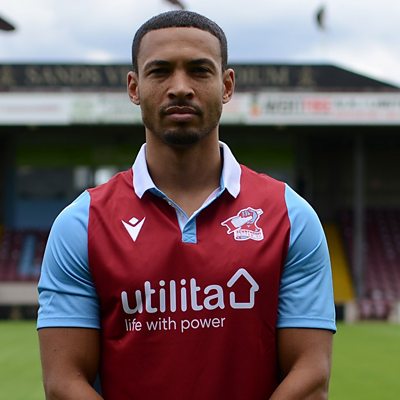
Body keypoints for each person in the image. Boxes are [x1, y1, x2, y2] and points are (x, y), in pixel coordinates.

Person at [37, 10, 336, 400]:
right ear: (134, 87)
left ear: (226, 85)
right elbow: (64, 383)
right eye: (160, 71)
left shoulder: (290, 216)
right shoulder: (81, 224)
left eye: (199, 71)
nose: (180, 87)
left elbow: (310, 374)